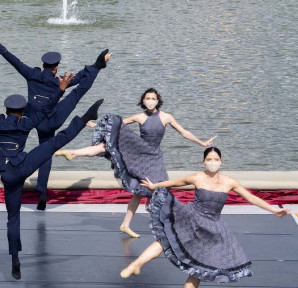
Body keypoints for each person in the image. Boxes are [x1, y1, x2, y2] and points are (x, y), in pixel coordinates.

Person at [0, 72, 104, 280]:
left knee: (13, 218)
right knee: (54, 143)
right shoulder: (26, 123)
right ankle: (84, 119)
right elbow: (47, 110)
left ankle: (14, 259)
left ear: (6, 110)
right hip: (25, 166)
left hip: (7, 175)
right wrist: (61, 89)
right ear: (21, 112)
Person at [124, 147, 291, 288]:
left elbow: (252, 198)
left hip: (212, 228)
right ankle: (137, 263)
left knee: (199, 269)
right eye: (210, 159)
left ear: (221, 161)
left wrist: (274, 210)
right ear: (204, 161)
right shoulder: (197, 177)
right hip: (192, 218)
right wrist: (154, 186)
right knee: (166, 239)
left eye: (216, 159)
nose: (213, 162)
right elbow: (173, 183)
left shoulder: (229, 182)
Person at [56, 88, 216, 239]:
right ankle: (73, 152)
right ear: (143, 101)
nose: (150, 101)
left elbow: (183, 132)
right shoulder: (139, 117)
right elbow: (115, 127)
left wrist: (201, 143)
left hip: (155, 158)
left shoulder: (166, 117)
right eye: (148, 98)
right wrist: (97, 126)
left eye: (153, 98)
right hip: (140, 153)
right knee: (106, 146)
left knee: (144, 191)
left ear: (158, 100)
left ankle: (126, 224)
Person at [0, 39, 111, 210]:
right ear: (56, 67)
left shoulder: (31, 74)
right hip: (53, 120)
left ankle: (38, 186)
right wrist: (95, 67)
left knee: (39, 141)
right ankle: (97, 67)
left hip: (34, 120)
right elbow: (81, 77)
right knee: (76, 93)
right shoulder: (59, 81)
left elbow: (14, 61)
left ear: (42, 65)